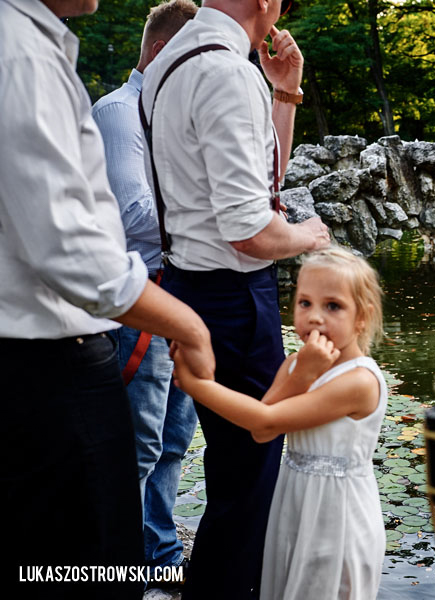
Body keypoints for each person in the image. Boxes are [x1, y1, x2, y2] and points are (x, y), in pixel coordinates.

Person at [0, 1, 214, 598]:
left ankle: (162, 554)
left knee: (162, 455)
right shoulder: (22, 55)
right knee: (91, 560)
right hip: (55, 352)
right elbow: (77, 243)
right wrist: (190, 322)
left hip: (83, 331)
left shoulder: (38, 47)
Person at [139, 2, 331, 597]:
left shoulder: (173, 58)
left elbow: (256, 182)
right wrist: (312, 236)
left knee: (235, 475)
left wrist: (285, 95)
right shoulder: (224, 70)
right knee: (252, 481)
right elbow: (252, 229)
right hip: (232, 297)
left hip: (189, 284)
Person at [173, 246, 387, 600]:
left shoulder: (359, 381)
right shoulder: (296, 365)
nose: (315, 317)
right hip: (293, 503)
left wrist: (198, 386)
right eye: (305, 303)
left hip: (338, 513)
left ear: (361, 317)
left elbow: (266, 417)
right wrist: (300, 372)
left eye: (332, 306)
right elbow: (261, 432)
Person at [91, 0, 198, 583]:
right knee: (136, 444)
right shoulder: (118, 114)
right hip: (138, 300)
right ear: (159, 52)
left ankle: (159, 554)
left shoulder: (169, 115)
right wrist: (220, 225)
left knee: (176, 438)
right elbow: (135, 216)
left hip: (182, 294)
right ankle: (114, 566)